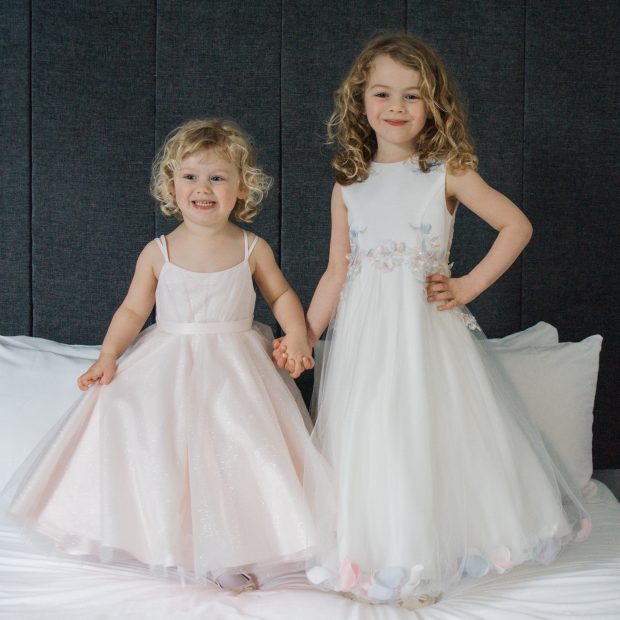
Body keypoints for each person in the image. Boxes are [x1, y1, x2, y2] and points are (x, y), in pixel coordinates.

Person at [275, 34, 590, 608]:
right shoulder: (348, 184)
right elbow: (336, 271)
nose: (396, 107)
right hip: (367, 342)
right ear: (360, 101)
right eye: (382, 93)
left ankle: (428, 557)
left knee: (420, 432)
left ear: (433, 104)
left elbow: (516, 226)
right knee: (373, 435)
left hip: (424, 337)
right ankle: (381, 553)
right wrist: (306, 334)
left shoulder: (446, 171)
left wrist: (468, 284)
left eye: (412, 95)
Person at [2, 118, 331, 592]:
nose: (203, 188)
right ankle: (167, 543)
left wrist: (297, 334)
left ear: (242, 188)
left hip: (236, 369)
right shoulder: (159, 251)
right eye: (190, 176)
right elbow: (133, 310)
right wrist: (109, 355)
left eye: (218, 177)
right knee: (157, 445)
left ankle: (230, 553)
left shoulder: (251, 247)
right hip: (169, 365)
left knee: (234, 453)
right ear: (171, 185)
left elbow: (280, 295)